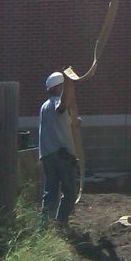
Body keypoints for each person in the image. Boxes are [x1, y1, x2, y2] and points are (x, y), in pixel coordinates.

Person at [39, 71, 78, 225]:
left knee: (50, 192)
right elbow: (62, 106)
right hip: (61, 155)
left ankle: (45, 226)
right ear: (57, 88)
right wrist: (69, 83)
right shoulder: (57, 102)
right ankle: (60, 224)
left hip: (47, 156)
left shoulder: (44, 106)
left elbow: (58, 122)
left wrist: (74, 122)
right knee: (69, 193)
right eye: (63, 86)